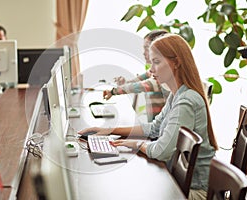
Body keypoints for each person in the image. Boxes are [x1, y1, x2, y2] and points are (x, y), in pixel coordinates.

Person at [79, 33, 219, 200]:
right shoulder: (178, 95)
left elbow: (161, 151)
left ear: (176, 63)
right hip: (183, 184)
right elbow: (153, 128)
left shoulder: (186, 101)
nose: (151, 70)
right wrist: (109, 130)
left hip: (196, 192)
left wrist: (136, 144)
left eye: (156, 62)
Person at [103, 30, 169, 122]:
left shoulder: (163, 76)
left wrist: (113, 91)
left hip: (162, 129)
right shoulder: (151, 71)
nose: (143, 53)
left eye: (147, 48)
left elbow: (140, 86)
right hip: (154, 126)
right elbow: (135, 82)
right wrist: (123, 83)